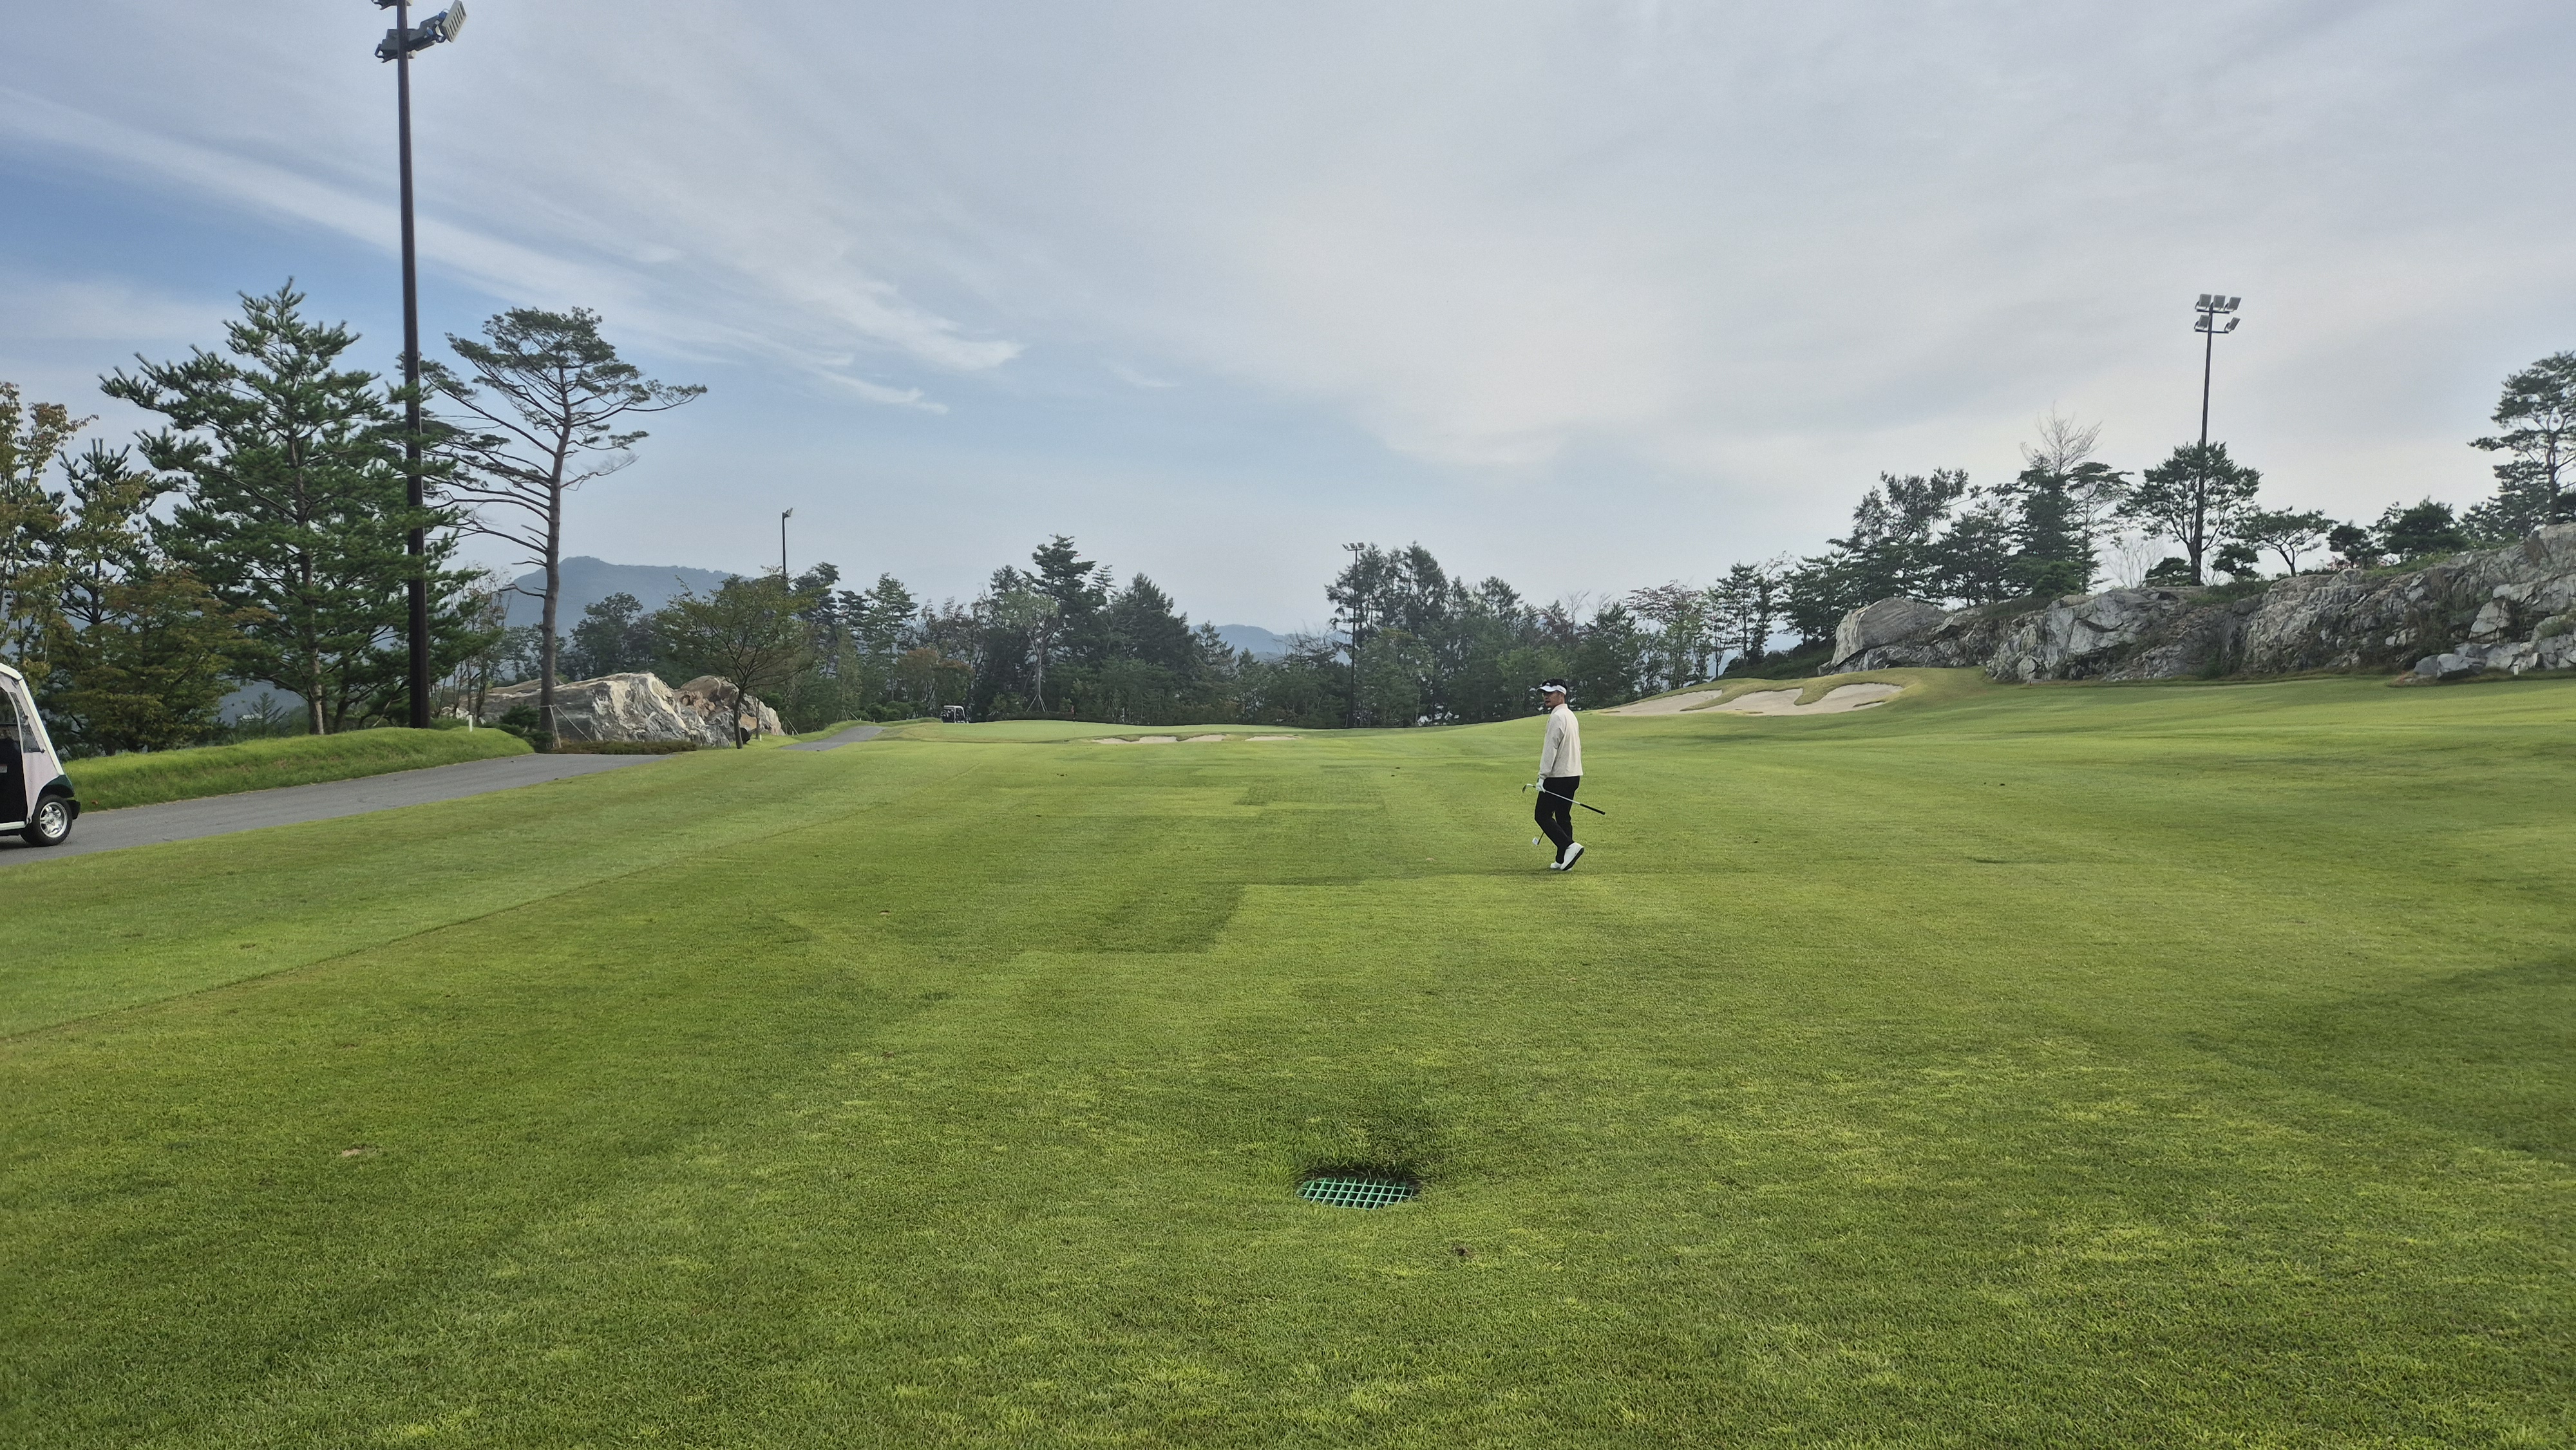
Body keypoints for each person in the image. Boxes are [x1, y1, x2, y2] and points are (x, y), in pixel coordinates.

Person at [1534, 678, 1584, 871]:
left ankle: (1569, 846)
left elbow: (1550, 749)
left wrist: (1542, 776)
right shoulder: (1571, 715)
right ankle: (1563, 860)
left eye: (1550, 693)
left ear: (1561, 695)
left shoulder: (1557, 717)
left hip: (1558, 777)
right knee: (1563, 816)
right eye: (1544, 693)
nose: (1546, 696)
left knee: (1542, 815)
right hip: (1573, 775)